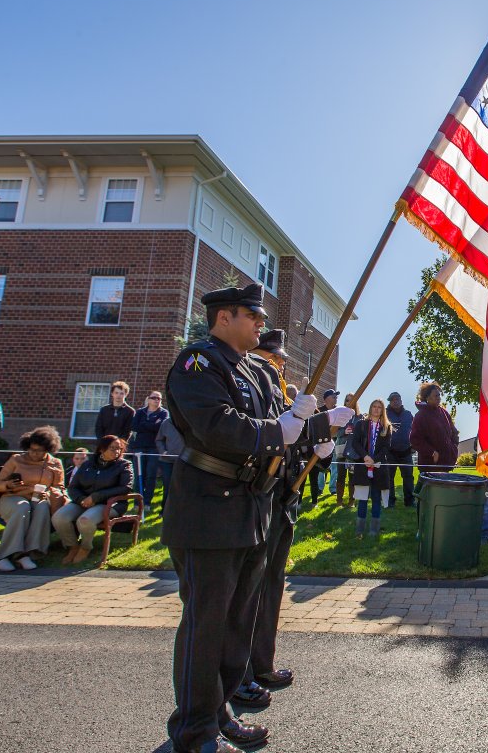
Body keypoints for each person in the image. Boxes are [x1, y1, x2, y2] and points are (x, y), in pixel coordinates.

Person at [162, 283, 335, 753]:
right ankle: (194, 729)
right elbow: (216, 425)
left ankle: (220, 712)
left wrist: (321, 427)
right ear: (224, 317)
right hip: (208, 507)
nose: (261, 324)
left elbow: (282, 428)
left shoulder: (255, 370)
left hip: (252, 508)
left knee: (237, 622)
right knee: (207, 624)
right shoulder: (199, 363)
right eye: (252, 316)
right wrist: (280, 428)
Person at [240, 328, 350, 709]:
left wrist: (319, 446)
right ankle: (239, 674)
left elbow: (292, 441)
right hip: (258, 498)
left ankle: (261, 662)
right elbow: (266, 436)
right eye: (275, 358)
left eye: (282, 360)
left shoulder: (276, 393)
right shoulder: (249, 389)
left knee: (271, 585)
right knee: (247, 591)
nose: (281, 364)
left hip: (283, 497)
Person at [0, 426, 65, 571]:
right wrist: (8, 484)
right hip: (12, 497)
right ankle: (3, 556)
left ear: (48, 449)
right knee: (22, 507)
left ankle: (28, 553)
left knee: (42, 508)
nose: (34, 454)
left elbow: (59, 487)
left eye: (39, 451)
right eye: (31, 449)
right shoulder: (16, 460)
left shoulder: (55, 463)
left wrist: (48, 493)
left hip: (38, 498)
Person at [53, 435, 134, 564]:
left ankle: (85, 547)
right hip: (83, 501)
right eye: (112, 448)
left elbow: (126, 487)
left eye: (119, 448)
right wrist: (82, 499)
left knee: (85, 520)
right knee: (59, 517)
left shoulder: (124, 465)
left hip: (110, 504)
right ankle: (72, 546)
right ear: (102, 449)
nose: (117, 452)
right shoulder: (87, 465)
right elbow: (73, 487)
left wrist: (96, 497)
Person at [346, 398, 392, 537]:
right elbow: (355, 443)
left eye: (379, 407)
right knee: (363, 499)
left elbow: (386, 448)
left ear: (382, 410)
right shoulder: (361, 424)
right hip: (363, 465)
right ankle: (359, 530)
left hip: (378, 467)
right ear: (370, 408)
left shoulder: (386, 427)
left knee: (376, 498)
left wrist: (374, 459)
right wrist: (365, 457)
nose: (376, 409)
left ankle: (374, 530)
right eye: (374, 406)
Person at [410, 381, 459, 492]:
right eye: (435, 396)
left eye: (439, 395)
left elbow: (454, 432)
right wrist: (431, 452)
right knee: (427, 495)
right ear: (427, 398)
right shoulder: (420, 416)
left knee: (443, 495)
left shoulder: (444, 413)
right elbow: (414, 439)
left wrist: (453, 448)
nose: (438, 398)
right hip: (429, 465)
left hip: (445, 464)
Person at [130, 391, 169, 513]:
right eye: (154, 398)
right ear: (148, 399)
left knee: (151, 476)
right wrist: (151, 424)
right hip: (139, 447)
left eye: (159, 398)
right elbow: (135, 426)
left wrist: (145, 425)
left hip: (154, 447)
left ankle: (147, 502)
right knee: (139, 476)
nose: (156, 400)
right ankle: (137, 502)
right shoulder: (140, 412)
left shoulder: (163, 413)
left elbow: (160, 428)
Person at [385, 391, 416, 507]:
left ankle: (409, 501)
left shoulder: (408, 414)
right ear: (390, 402)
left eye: (397, 399)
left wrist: (414, 446)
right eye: (393, 400)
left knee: (408, 477)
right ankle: (390, 501)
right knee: (389, 477)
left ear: (401, 401)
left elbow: (415, 431)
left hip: (406, 452)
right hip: (390, 452)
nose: (395, 401)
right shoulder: (385, 414)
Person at [332, 394, 361, 505]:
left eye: (351, 400)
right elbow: (334, 433)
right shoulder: (340, 415)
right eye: (347, 400)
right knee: (341, 476)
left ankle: (351, 501)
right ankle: (339, 501)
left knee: (352, 476)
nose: (349, 402)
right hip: (341, 450)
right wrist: (344, 431)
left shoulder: (359, 417)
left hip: (353, 451)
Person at [156, 417, 184, 511]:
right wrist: (162, 451)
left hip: (183, 461)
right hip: (167, 461)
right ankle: (164, 510)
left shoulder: (187, 421)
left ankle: (179, 510)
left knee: (182, 487)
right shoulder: (166, 423)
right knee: (167, 487)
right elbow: (159, 440)